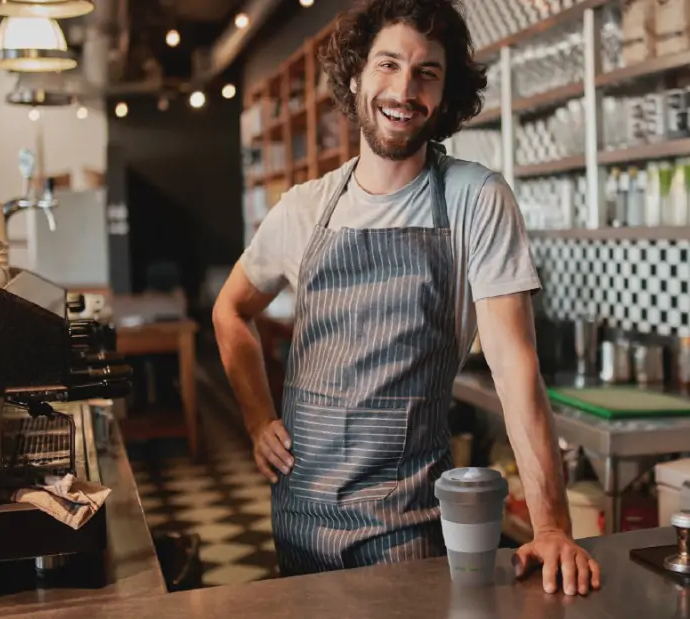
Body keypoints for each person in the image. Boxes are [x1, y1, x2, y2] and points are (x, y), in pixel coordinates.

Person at [212, 0, 601, 596]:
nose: (403, 89)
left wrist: (550, 525)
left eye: (427, 73)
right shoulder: (305, 207)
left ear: (445, 96)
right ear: (355, 78)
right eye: (388, 65)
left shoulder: (475, 199)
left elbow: (514, 365)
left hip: (409, 523)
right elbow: (230, 310)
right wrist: (256, 417)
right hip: (300, 517)